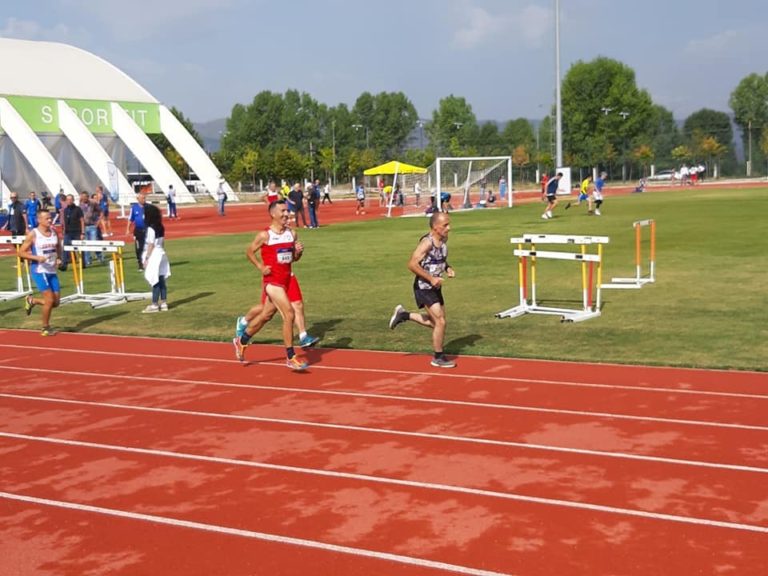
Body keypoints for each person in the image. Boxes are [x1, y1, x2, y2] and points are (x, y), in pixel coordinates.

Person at [232, 200, 308, 371]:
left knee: (266, 316)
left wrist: (298, 253)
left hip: (286, 280)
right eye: (283, 211)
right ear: (273, 214)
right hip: (272, 282)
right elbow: (249, 251)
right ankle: (290, 356)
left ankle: (242, 340)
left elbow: (292, 259)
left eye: (287, 211)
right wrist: (260, 267)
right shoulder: (264, 235)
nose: (286, 214)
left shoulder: (292, 234)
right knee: (289, 314)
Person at [389, 212, 456, 368]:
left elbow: (439, 259)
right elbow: (412, 264)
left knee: (437, 324)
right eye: (445, 225)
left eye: (449, 224)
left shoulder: (443, 240)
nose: (449, 228)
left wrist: (448, 268)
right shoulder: (427, 243)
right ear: (435, 227)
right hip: (424, 287)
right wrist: (431, 279)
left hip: (435, 286)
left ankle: (404, 315)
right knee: (440, 321)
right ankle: (438, 357)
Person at [20, 210, 62, 336]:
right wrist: (37, 258)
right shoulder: (34, 234)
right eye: (47, 218)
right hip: (39, 270)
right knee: (49, 300)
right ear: (39, 220)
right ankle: (45, 327)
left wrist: (59, 258)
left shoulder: (54, 232)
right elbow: (21, 252)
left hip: (51, 270)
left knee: (56, 303)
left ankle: (32, 301)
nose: (50, 220)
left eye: (50, 218)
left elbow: (58, 246)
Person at [140, 203, 171, 312]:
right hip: (161, 253)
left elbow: (150, 244)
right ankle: (164, 303)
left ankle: (154, 304)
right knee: (161, 278)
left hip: (154, 254)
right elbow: (162, 242)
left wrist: (147, 259)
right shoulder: (161, 226)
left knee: (155, 279)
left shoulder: (151, 229)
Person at [59, 194, 84, 270]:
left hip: (77, 232)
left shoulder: (78, 209)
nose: (69, 201)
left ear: (73, 200)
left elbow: (82, 221)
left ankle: (82, 263)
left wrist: (82, 233)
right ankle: (64, 264)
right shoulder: (65, 210)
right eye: (68, 199)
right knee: (65, 248)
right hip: (68, 232)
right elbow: (65, 222)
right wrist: (63, 231)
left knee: (80, 248)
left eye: (70, 199)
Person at [126, 191, 147, 271]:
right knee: (139, 248)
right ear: (138, 199)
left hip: (147, 230)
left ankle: (147, 262)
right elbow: (130, 219)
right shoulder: (134, 208)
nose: (144, 200)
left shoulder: (148, 207)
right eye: (142, 198)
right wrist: (128, 229)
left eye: (144, 198)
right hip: (138, 230)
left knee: (147, 246)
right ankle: (140, 263)